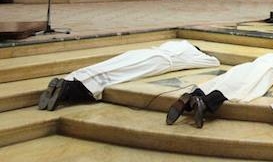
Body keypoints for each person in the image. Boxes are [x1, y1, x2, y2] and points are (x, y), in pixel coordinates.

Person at [38, 40, 220, 111]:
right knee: (118, 74)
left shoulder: (175, 43)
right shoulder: (191, 55)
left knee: (111, 66)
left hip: (143, 52)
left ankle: (69, 81)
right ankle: (72, 90)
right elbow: (214, 62)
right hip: (158, 62)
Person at [167, 53, 273, 128]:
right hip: (264, 72)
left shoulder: (269, 55)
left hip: (245, 67)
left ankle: (191, 96)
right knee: (235, 89)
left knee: (220, 82)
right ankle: (204, 103)